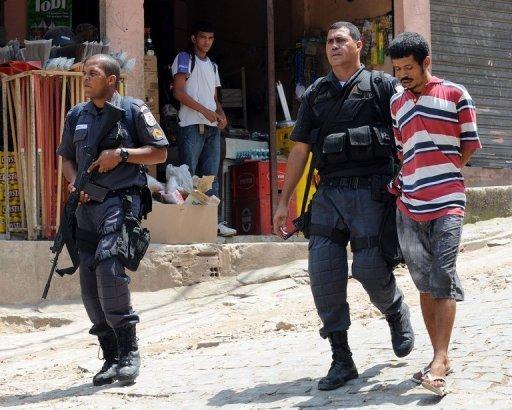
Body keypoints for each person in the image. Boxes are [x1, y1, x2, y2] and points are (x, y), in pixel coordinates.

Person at [273, 21, 414, 391]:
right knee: (323, 273)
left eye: (341, 40)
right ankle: (341, 357)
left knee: (369, 270)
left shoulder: (382, 86)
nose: (333, 46)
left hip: (372, 192)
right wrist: (283, 202)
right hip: (329, 194)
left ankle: (396, 310)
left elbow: (407, 134)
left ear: (359, 45)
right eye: (330, 41)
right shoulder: (317, 94)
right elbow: (300, 149)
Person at [57, 54, 169, 386]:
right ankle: (109, 356)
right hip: (86, 208)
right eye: (83, 73)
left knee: (109, 269)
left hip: (120, 201)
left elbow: (160, 151)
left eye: (92, 73)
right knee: (89, 281)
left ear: (111, 80)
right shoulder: (77, 114)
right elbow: (65, 157)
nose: (85, 78)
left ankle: (129, 352)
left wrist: (121, 154)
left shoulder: (133, 110)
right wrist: (75, 183)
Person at [387, 32, 481, 396]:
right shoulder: (396, 102)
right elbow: (401, 150)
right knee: (424, 282)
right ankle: (437, 355)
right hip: (408, 204)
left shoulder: (457, 94)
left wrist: (442, 172)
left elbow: (469, 146)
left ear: (426, 62)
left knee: (442, 274)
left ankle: (440, 360)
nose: (403, 76)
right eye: (397, 70)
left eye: (408, 68)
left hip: (448, 201)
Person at [171, 21, 236, 237]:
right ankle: (185, 224)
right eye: (202, 37)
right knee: (187, 175)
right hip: (190, 125)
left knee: (210, 178)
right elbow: (178, 92)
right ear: (193, 38)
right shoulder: (184, 59)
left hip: (212, 128)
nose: (206, 42)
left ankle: (213, 223)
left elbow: (213, 98)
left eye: (210, 38)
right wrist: (204, 112)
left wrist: (220, 113)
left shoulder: (213, 66)